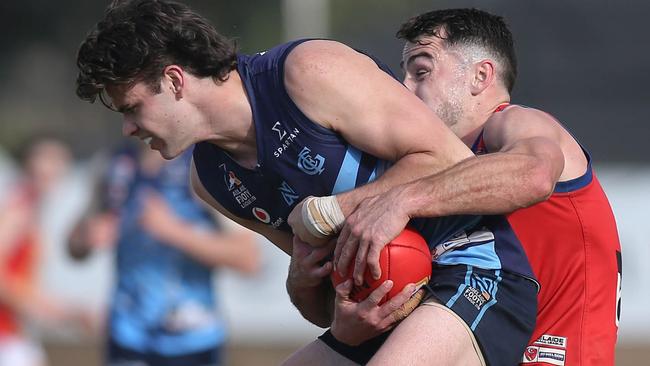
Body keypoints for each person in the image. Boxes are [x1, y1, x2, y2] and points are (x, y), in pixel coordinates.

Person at [74, 1, 538, 365]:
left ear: (175, 81)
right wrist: (308, 290)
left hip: (476, 268)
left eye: (132, 108)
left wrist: (336, 209)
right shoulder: (210, 180)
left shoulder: (306, 73)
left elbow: (450, 160)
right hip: (389, 312)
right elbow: (325, 302)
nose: (129, 130)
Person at [335, 8, 622, 366]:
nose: (405, 88)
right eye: (404, 74)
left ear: (480, 76)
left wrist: (401, 200)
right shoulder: (435, 171)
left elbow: (535, 174)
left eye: (421, 71)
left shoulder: (515, 123)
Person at [68, 143, 260, 366]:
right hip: (126, 337)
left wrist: (172, 231)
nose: (130, 121)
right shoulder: (112, 164)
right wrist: (88, 234)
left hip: (192, 341)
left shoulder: (205, 166)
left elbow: (248, 258)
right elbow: (74, 248)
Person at [0, 136, 90, 366]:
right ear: (28, 163)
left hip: (14, 332)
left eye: (60, 160)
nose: (54, 167)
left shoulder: (33, 210)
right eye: (47, 158)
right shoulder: (17, 210)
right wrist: (58, 312)